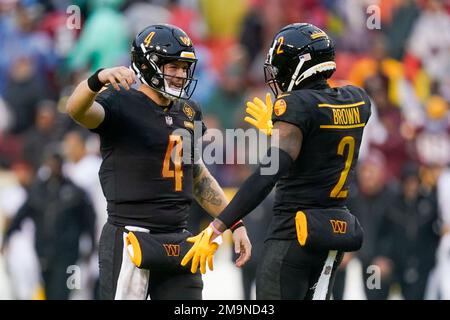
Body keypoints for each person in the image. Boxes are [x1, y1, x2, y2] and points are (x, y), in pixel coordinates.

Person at [181, 23, 372, 300]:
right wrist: (279, 130)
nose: (277, 74)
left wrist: (217, 227)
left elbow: (268, 174)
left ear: (300, 65)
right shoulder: (357, 99)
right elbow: (322, 144)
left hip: (292, 236)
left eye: (281, 65)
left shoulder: (295, 105)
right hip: (332, 234)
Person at [65, 24, 251, 300]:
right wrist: (98, 79)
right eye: (171, 66)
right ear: (146, 64)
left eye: (183, 67)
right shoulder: (121, 101)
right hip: (130, 236)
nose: (179, 74)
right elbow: (77, 110)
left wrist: (235, 223)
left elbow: (197, 175)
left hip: (179, 238)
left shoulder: (189, 111)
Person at [1, 152, 96, 300]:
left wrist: (92, 244)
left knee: (65, 290)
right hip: (43, 251)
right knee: (48, 290)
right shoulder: (39, 191)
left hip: (68, 252)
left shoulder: (75, 192)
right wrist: (7, 237)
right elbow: (21, 215)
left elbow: (89, 220)